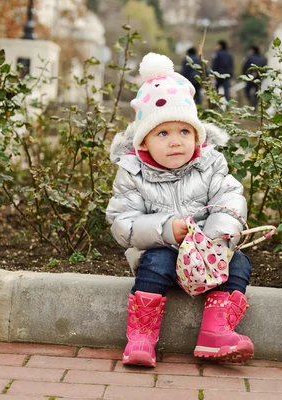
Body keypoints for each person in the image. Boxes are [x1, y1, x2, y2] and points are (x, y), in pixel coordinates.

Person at [106, 52, 254, 367]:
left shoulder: (210, 164)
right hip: (163, 253)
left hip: (207, 255)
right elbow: (122, 222)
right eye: (164, 133)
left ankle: (216, 332)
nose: (176, 141)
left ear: (196, 136)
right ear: (143, 142)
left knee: (239, 263)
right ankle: (142, 337)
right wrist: (165, 229)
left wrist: (214, 238)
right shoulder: (133, 172)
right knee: (157, 261)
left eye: (184, 132)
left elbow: (230, 200)